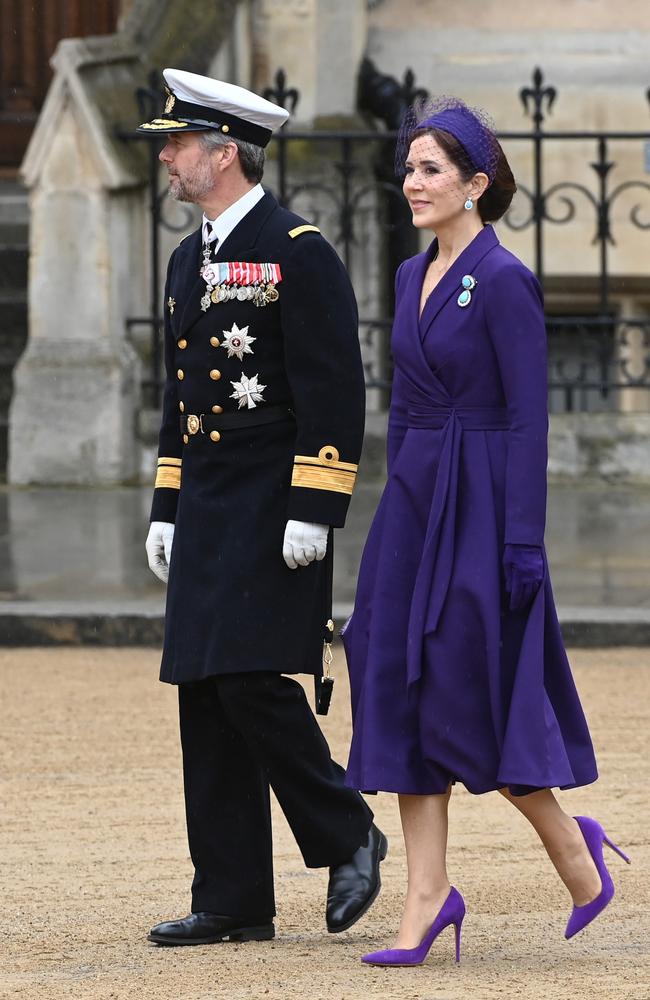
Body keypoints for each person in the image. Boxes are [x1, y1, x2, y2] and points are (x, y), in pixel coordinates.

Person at [342, 97, 630, 967]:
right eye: (410, 167)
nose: (413, 183)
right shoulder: (405, 275)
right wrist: (396, 501)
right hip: (415, 506)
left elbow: (528, 419)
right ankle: (427, 896)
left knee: (475, 686)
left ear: (475, 184)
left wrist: (521, 542)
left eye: (431, 169)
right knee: (388, 675)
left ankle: (573, 849)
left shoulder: (504, 280)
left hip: (484, 509)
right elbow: (401, 408)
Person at [139, 68, 386, 947]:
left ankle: (348, 828)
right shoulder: (185, 257)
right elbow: (178, 397)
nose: (166, 157)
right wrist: (165, 502)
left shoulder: (300, 248)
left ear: (224, 152)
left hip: (273, 502)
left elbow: (333, 390)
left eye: (176, 143)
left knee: (249, 676)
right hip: (206, 503)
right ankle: (234, 895)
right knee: (202, 690)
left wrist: (316, 504)